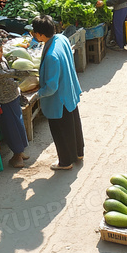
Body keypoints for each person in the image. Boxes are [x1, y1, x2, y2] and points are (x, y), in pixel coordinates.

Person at [32, 15, 85, 171]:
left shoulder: (51, 57)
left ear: (40, 34)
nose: (34, 35)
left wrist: (37, 94)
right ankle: (78, 153)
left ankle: (65, 161)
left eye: (35, 33)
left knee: (60, 131)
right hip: (69, 91)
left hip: (58, 100)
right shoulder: (61, 39)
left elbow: (51, 87)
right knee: (74, 124)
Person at [0, 37, 32, 168]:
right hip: (3, 101)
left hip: (13, 96)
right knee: (11, 128)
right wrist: (23, 74)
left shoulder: (2, 59)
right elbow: (5, 76)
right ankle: (16, 155)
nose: (0, 54)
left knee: (19, 124)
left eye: (1, 50)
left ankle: (20, 152)